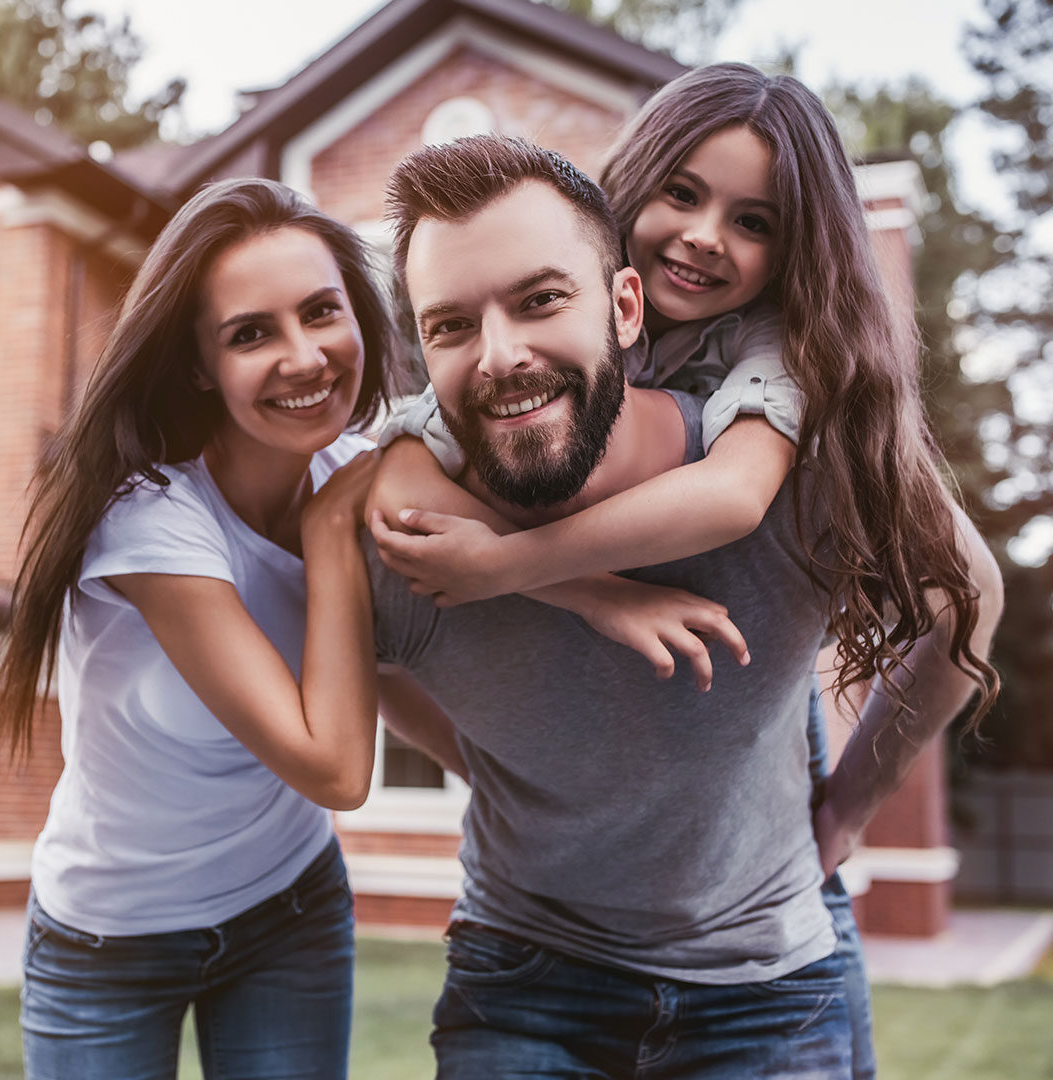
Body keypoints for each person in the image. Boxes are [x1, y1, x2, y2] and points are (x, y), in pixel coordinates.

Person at [369, 64, 995, 1076]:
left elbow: (935, 582)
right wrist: (559, 626)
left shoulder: (784, 364)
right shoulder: (523, 345)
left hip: (763, 928)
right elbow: (386, 493)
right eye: (684, 194)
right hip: (532, 948)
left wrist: (844, 812)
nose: (706, 237)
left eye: (755, 221)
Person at [0, 178, 462, 1080]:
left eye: (322, 312)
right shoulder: (150, 519)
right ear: (200, 364)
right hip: (108, 942)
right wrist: (327, 533)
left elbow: (378, 673)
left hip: (289, 911)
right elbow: (334, 767)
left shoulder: (358, 470)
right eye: (252, 333)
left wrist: (532, 789)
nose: (305, 356)